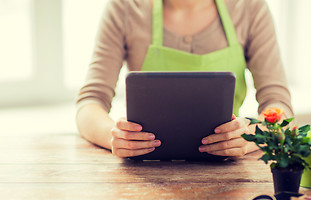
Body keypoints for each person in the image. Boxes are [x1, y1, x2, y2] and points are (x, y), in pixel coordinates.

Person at [76, 0, 293, 159]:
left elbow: (279, 105)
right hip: (145, 174)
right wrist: (113, 136)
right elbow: (90, 102)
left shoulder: (250, 7)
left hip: (226, 172)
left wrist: (250, 136)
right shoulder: (124, 7)